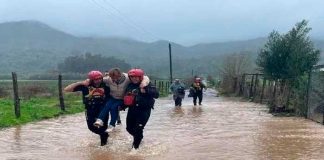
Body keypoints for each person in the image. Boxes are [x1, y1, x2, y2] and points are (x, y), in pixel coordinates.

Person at [93, 68, 150, 133]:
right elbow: (97, 79)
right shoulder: (109, 79)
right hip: (113, 97)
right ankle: (100, 120)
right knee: (107, 106)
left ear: (120, 75)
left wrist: (144, 83)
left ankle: (112, 125)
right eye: (112, 78)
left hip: (122, 98)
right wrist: (87, 81)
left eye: (115, 78)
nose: (114, 80)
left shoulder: (127, 78)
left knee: (113, 108)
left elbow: (145, 77)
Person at [64, 71, 110, 146]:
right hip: (90, 109)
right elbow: (67, 89)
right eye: (95, 79)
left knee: (103, 128)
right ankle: (104, 136)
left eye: (99, 78)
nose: (98, 81)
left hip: (103, 109)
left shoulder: (106, 86)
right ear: (91, 80)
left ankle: (104, 147)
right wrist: (81, 83)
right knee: (91, 127)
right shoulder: (85, 86)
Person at [122, 68, 159, 150]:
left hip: (144, 111)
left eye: (136, 77)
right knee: (129, 128)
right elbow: (126, 98)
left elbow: (156, 94)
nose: (134, 78)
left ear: (141, 77)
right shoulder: (129, 85)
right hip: (132, 110)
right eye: (132, 77)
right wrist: (122, 106)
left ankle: (135, 149)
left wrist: (145, 90)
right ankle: (139, 138)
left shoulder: (148, 84)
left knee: (138, 129)